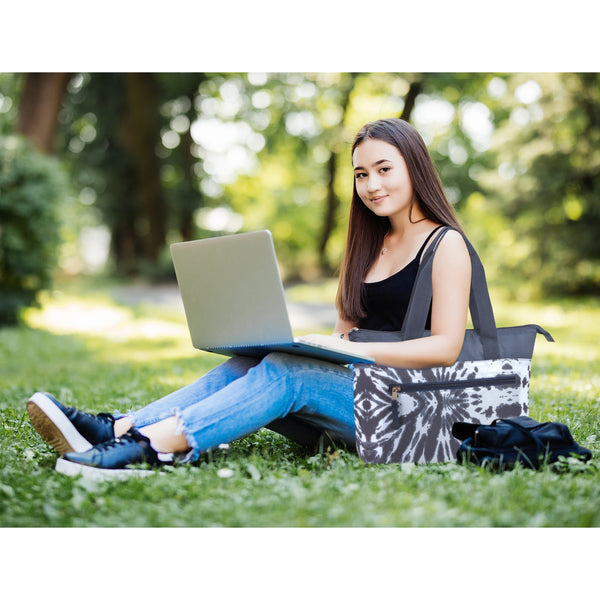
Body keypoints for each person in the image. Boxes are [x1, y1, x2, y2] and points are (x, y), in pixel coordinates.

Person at [26, 118, 472, 480]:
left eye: (384, 169)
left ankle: (155, 447)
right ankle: (121, 427)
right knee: (253, 360)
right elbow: (345, 334)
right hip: (355, 402)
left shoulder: (444, 244)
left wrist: (353, 350)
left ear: (414, 166)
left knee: (287, 371)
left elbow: (446, 348)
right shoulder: (365, 248)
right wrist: (327, 346)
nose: (371, 184)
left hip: (410, 413)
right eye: (361, 173)